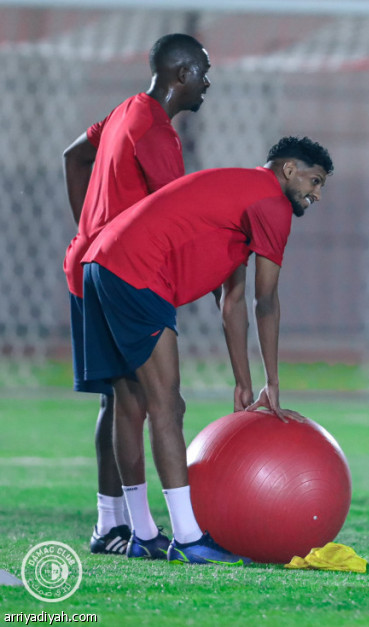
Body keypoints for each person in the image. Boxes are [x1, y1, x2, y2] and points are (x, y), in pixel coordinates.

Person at [80, 136, 334, 565]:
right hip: (138, 271)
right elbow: (265, 301)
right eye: (315, 181)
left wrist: (243, 382)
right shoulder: (271, 204)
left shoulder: (241, 193)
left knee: (130, 401)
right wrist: (273, 381)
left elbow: (232, 301)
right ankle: (188, 537)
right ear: (289, 170)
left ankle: (143, 533)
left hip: (100, 263)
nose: (318, 194)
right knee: (167, 406)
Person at [62, 33, 211, 556]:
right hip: (127, 275)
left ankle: (114, 525)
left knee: (121, 397)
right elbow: (177, 216)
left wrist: (90, 228)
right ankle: (171, 533)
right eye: (204, 73)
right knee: (154, 400)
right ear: (182, 74)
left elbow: (73, 157)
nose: (207, 84)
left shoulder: (125, 110)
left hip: (86, 264)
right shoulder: (157, 133)